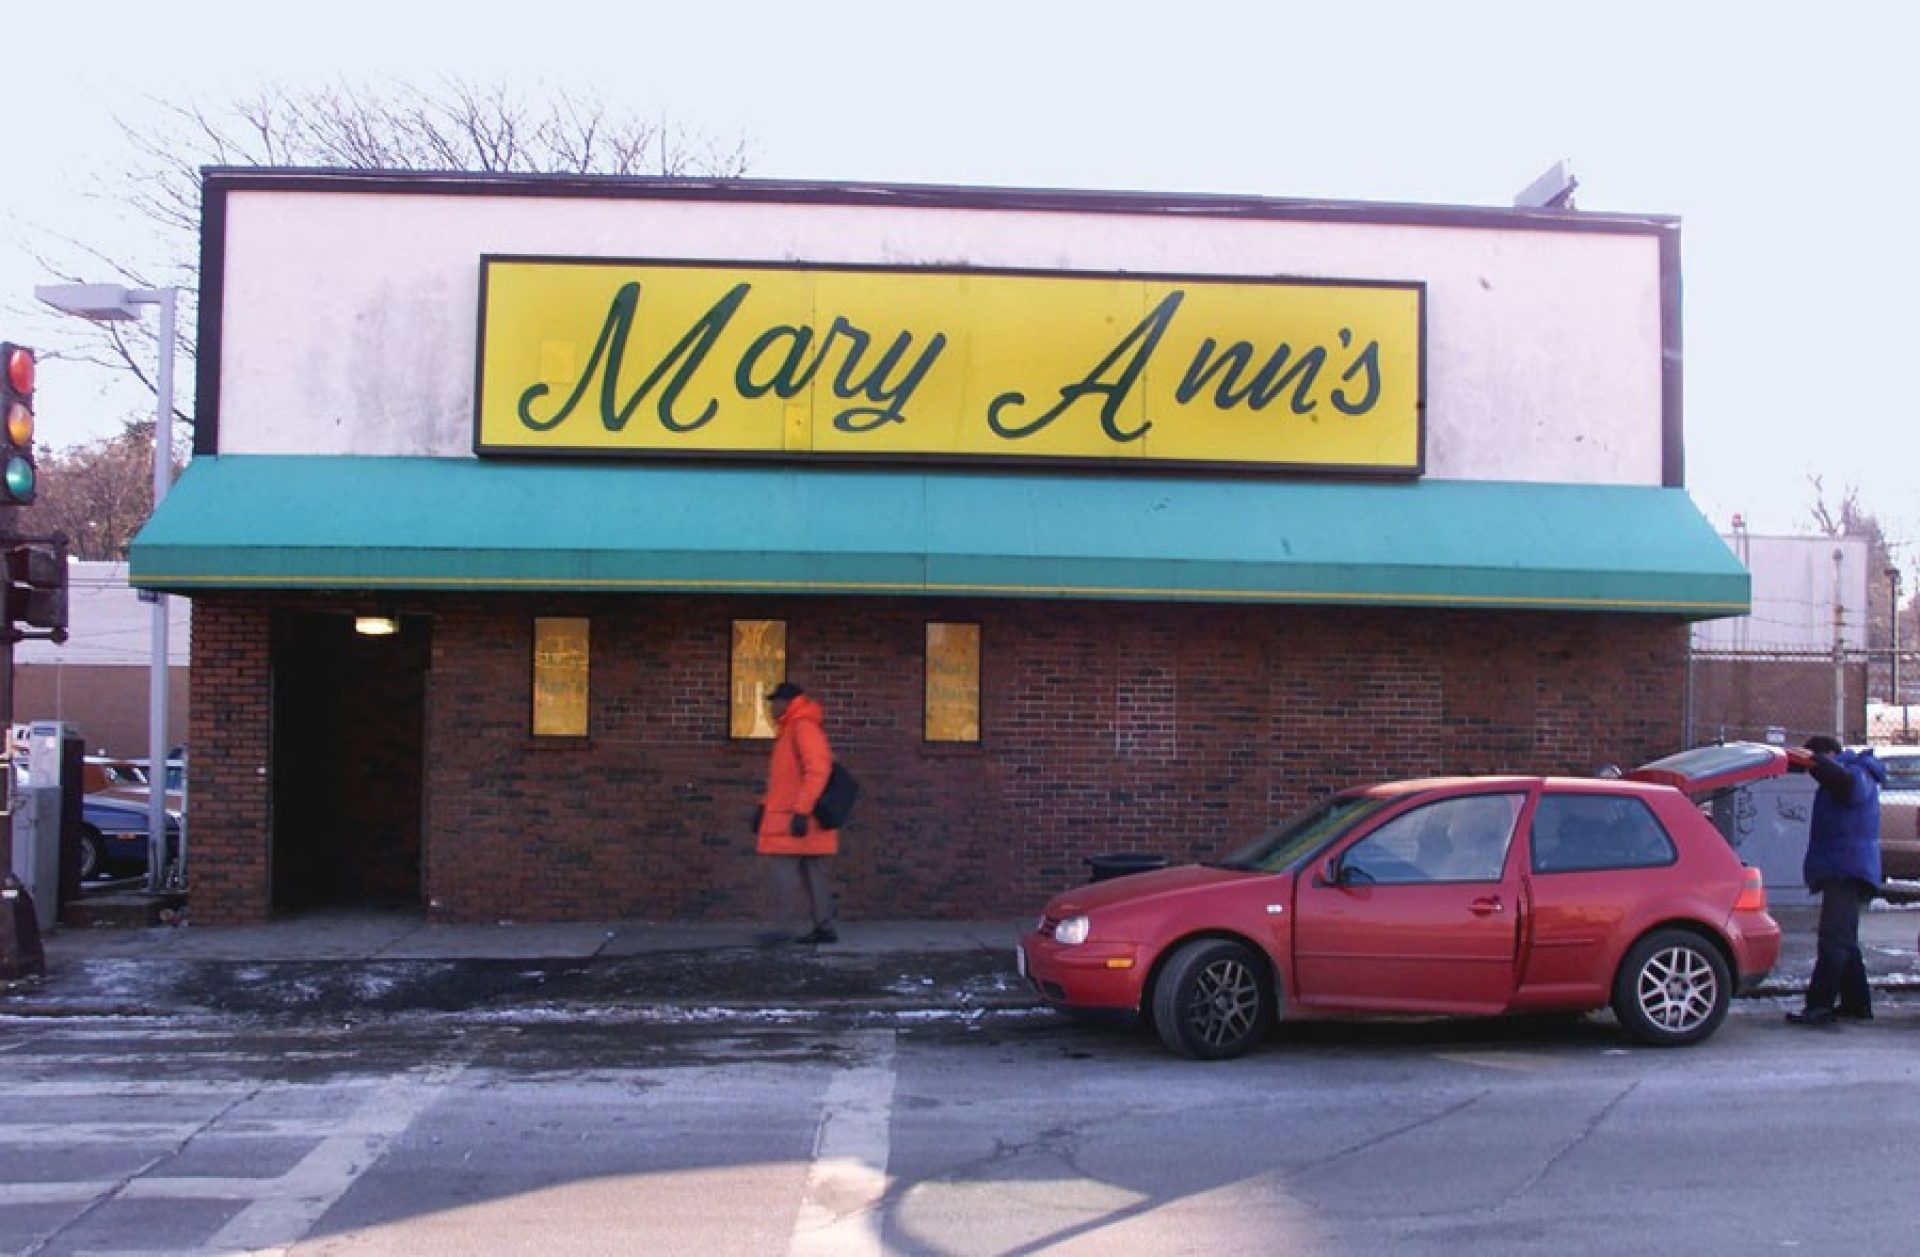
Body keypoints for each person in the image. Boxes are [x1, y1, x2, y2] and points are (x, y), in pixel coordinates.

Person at [1786, 735, 1886, 1026]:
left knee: (1832, 940)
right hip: (1846, 868)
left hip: (1847, 870)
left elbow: (1847, 786)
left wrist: (1815, 762)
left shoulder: (1857, 772)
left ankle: (1819, 1006)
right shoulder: (1851, 774)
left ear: (1828, 754)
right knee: (1844, 940)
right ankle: (1857, 1004)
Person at [753, 682, 840, 944]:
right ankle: (823, 927)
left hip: (795, 820)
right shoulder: (796, 728)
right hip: (800, 819)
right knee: (814, 875)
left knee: (783, 875)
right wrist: (763, 806)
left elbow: (818, 771)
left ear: (788, 702)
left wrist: (801, 812)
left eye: (775, 701)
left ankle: (783, 929)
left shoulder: (801, 728)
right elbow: (785, 781)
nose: (772, 707)